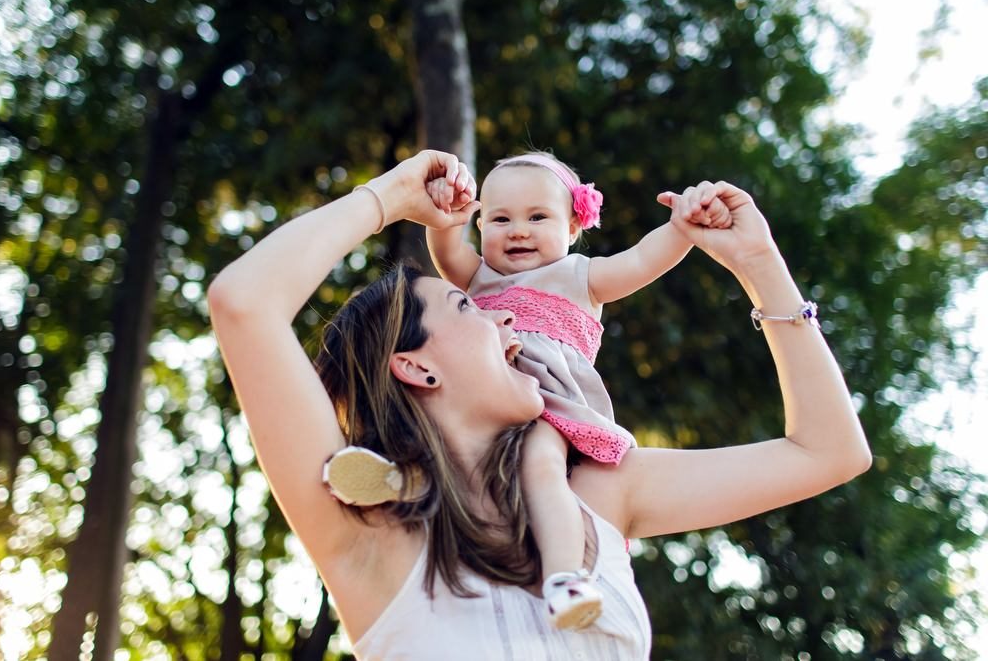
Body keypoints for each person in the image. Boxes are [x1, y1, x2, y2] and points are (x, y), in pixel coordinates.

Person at [207, 149, 871, 660]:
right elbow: (244, 302)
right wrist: (390, 195)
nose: (507, 324)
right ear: (416, 364)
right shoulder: (367, 536)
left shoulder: (605, 488)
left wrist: (759, 262)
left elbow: (831, 451)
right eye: (470, 306)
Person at [421, 151, 731, 629]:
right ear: (480, 226)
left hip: (546, 405)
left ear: (572, 227)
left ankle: (566, 577)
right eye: (500, 218)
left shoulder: (580, 276)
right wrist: (445, 213)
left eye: (537, 217)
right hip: (476, 394)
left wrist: (681, 229)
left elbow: (643, 260)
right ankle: (384, 477)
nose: (518, 230)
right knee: (428, 437)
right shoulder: (477, 276)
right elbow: (445, 249)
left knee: (541, 466)